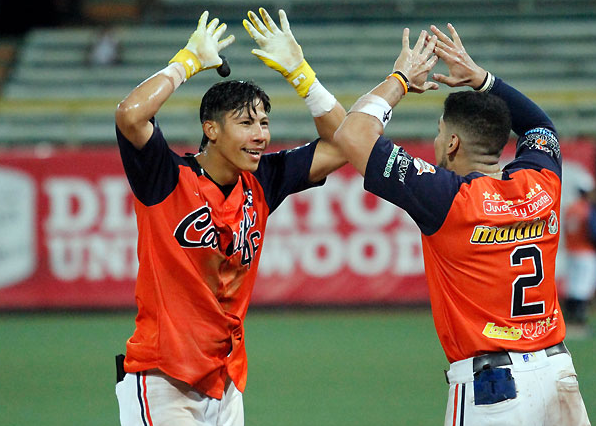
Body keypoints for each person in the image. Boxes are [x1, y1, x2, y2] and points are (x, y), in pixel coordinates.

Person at [332, 24, 591, 425]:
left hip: (494, 389)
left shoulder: (446, 198)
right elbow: (542, 128)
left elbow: (353, 133)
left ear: (452, 143)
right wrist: (485, 81)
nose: (437, 142)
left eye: (440, 134)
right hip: (559, 374)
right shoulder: (542, 181)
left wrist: (400, 79)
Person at [113, 8, 346, 426]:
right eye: (245, 123)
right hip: (163, 377)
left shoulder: (263, 182)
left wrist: (301, 74)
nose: (260, 134)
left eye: (264, 123)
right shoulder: (165, 178)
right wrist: (187, 61)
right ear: (211, 129)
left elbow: (348, 143)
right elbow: (130, 114)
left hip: (227, 380)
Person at [564, 184, 596, 338]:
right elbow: (592, 231)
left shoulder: (571, 208)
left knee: (573, 286)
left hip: (572, 250)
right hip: (585, 251)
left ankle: (570, 321)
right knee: (583, 287)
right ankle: (578, 322)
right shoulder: (586, 209)